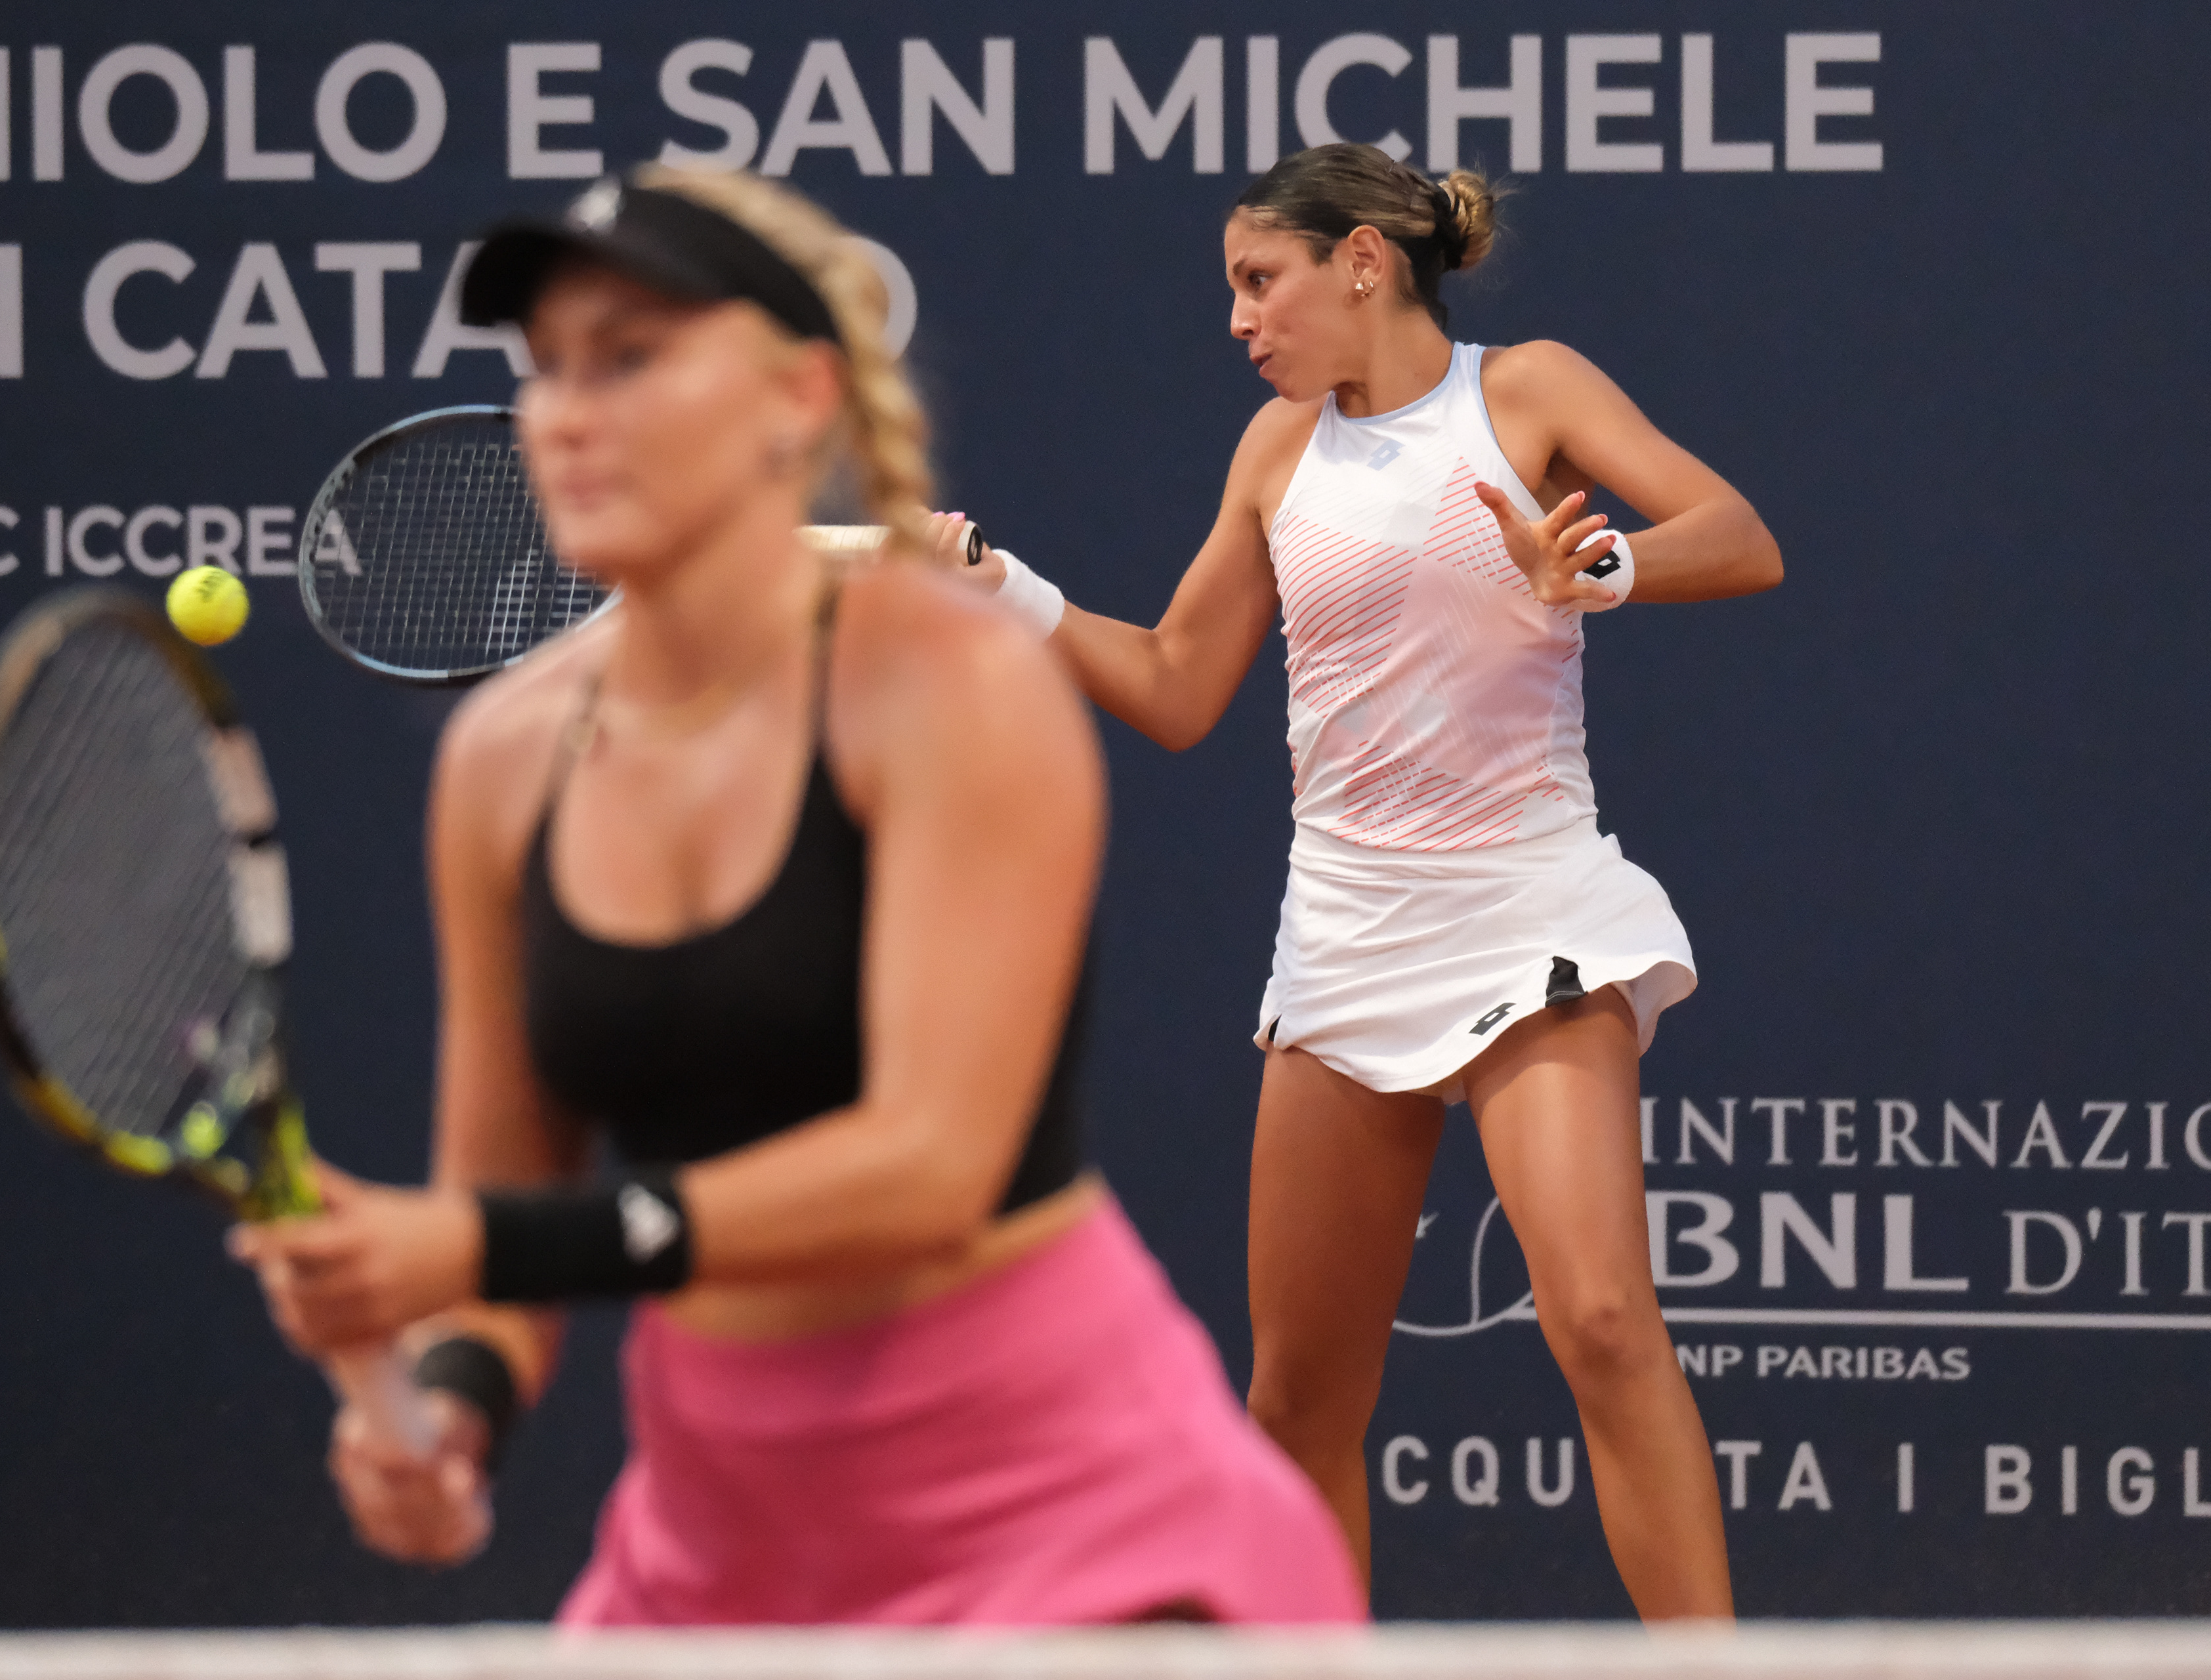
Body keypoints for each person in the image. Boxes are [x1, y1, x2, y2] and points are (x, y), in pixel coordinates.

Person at [228, 165, 1361, 1627]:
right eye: (549, 368)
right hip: (720, 1523)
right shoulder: (502, 762)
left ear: (796, 397)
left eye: (631, 358)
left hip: (1066, 1506)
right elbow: (501, 1196)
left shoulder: (955, 688)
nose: (569, 411)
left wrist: (472, 1247)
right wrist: (452, 1399)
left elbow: (924, 1167)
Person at [955, 144, 1780, 1618]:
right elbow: (1172, 681)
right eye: (1232, 292)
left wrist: (1595, 574)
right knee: (1295, 1405)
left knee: (1598, 1315)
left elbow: (1738, 535)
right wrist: (999, 588)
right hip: (1345, 938)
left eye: (1257, 281)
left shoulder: (1525, 389)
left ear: (1362, 261)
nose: (1238, 320)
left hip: (1533, 910)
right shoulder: (1274, 455)